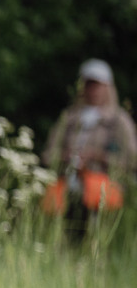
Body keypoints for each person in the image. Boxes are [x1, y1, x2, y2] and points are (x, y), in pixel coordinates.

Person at [41, 58, 137, 242]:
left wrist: (97, 157)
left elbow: (131, 160)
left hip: (102, 184)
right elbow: (48, 155)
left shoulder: (119, 120)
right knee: (53, 204)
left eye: (97, 85)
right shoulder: (68, 117)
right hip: (66, 182)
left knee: (94, 204)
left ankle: (94, 245)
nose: (92, 90)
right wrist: (66, 157)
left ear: (107, 87)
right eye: (88, 84)